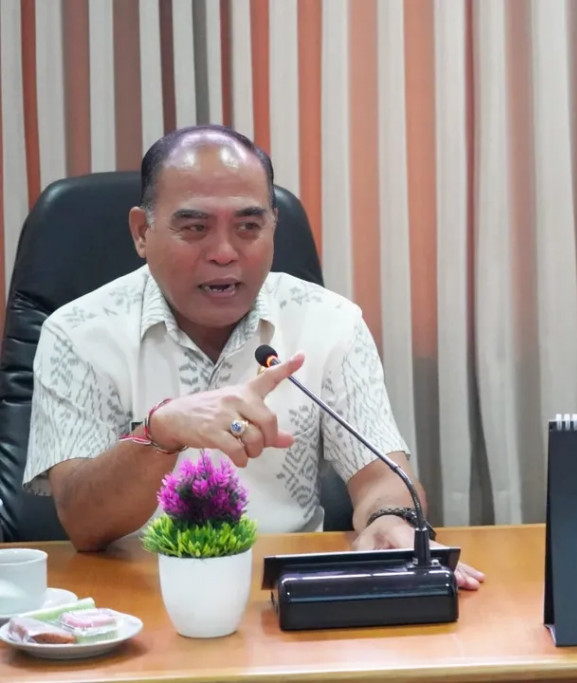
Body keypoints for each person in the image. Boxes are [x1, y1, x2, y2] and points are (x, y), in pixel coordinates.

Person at [23, 125, 483, 589]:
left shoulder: (330, 323)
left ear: (273, 228)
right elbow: (82, 523)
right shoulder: (77, 333)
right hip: (133, 596)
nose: (225, 253)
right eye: (195, 228)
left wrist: (390, 519)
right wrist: (158, 434)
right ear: (142, 232)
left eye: (248, 227)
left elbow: (383, 477)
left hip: (286, 594)